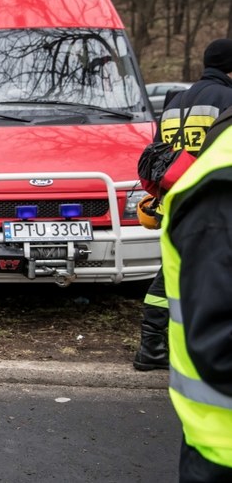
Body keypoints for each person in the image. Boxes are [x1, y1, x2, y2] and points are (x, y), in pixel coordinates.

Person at [134, 38, 232, 372]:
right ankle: (163, 347)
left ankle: (152, 345)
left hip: (173, 200)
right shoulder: (228, 100)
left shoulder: (176, 100)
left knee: (172, 274)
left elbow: (161, 152)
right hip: (210, 202)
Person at [160, 105, 232, 482]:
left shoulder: (180, 102)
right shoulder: (221, 185)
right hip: (222, 453)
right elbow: (217, 342)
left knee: (161, 292)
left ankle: (148, 347)